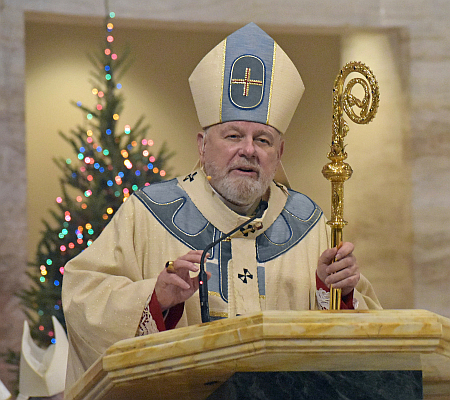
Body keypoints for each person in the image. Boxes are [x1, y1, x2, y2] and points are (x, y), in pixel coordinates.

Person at [62, 22, 381, 390]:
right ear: (201, 145)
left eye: (263, 139)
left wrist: (333, 292)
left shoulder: (311, 226)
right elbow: (82, 298)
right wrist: (157, 298)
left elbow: (369, 344)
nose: (248, 149)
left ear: (279, 154)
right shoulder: (148, 213)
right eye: (233, 136)